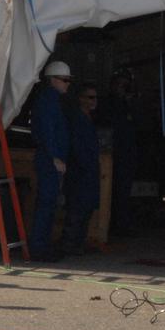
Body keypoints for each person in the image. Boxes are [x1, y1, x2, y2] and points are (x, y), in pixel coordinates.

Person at [28, 61, 72, 262]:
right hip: (49, 160)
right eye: (64, 80)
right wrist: (54, 157)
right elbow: (47, 132)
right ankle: (38, 247)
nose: (67, 84)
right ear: (52, 79)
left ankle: (42, 244)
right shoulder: (47, 101)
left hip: (51, 158)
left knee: (50, 203)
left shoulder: (52, 101)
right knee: (46, 203)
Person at [97, 69, 137, 238]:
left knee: (124, 191)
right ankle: (110, 225)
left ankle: (122, 224)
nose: (123, 89)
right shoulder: (107, 104)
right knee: (111, 191)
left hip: (127, 153)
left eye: (125, 86)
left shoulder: (129, 104)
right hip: (112, 153)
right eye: (120, 85)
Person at [62, 82, 101, 256]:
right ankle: (70, 244)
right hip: (80, 171)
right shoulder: (77, 119)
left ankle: (78, 243)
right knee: (77, 209)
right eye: (90, 97)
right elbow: (77, 146)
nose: (94, 101)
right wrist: (84, 164)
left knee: (86, 209)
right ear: (81, 99)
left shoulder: (87, 119)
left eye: (95, 97)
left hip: (89, 171)